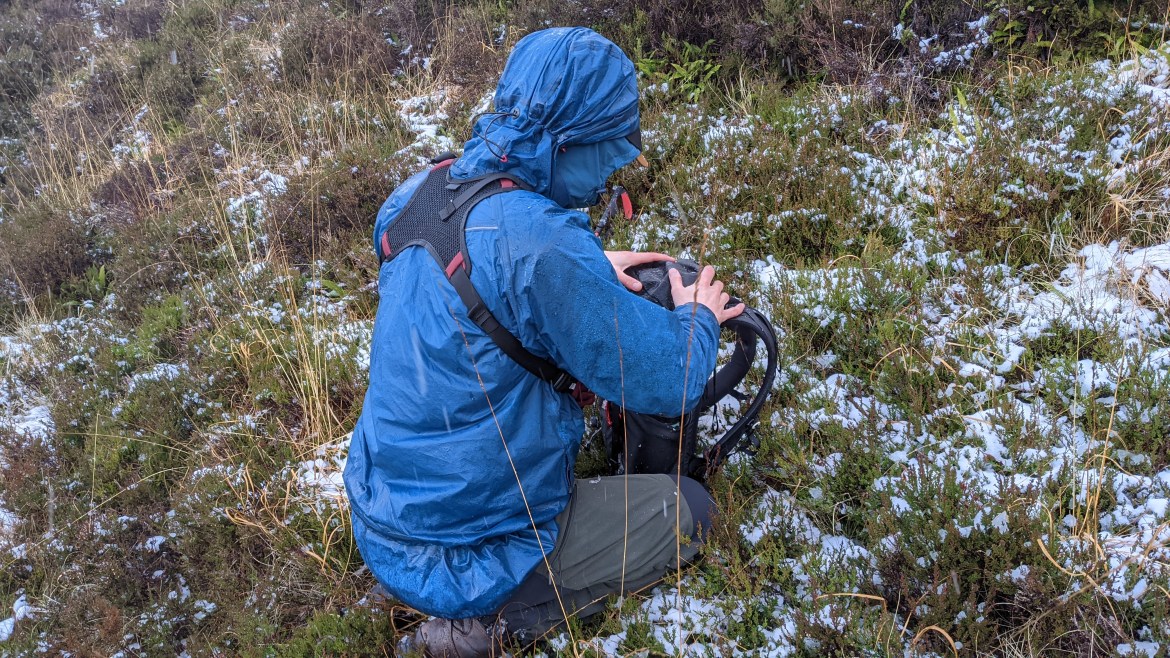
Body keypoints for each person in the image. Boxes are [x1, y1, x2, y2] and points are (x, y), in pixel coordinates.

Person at [342, 27, 744, 657]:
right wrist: (699, 315)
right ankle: (490, 623)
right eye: (608, 148)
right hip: (470, 551)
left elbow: (469, 269)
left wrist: (584, 267)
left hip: (383, 512)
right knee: (691, 510)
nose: (615, 170)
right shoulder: (541, 247)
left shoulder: (417, 193)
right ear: (564, 141)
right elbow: (672, 377)